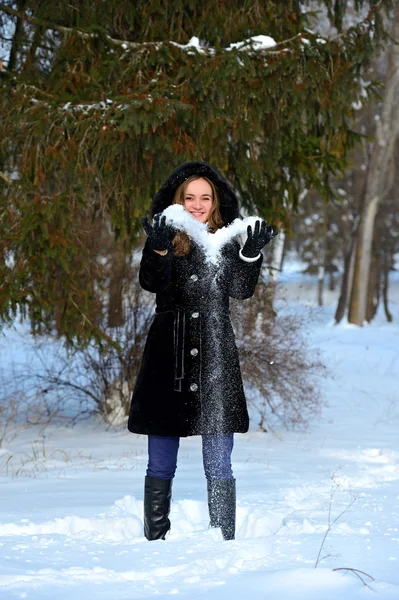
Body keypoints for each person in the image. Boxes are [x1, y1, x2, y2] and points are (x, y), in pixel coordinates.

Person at [128, 161, 275, 541]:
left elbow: (240, 290)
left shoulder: (224, 241)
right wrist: (159, 249)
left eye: (204, 197)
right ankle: (154, 537)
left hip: (214, 354)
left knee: (218, 456)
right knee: (161, 454)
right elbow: (150, 282)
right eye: (189, 197)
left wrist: (250, 255)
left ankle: (223, 537)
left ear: (216, 202)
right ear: (179, 201)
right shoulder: (165, 235)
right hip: (168, 354)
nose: (197, 204)